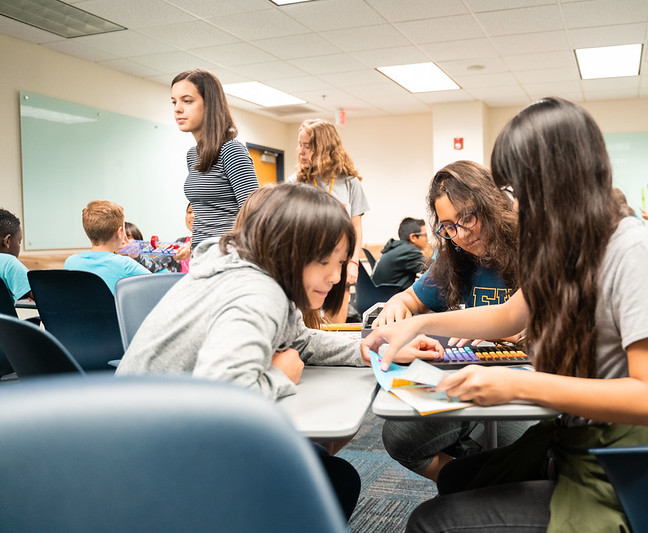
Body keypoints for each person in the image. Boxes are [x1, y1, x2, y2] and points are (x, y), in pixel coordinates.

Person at [362, 98, 648, 532]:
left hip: (617, 462)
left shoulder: (631, 250)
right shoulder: (576, 245)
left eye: (518, 191)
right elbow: (509, 316)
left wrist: (516, 381)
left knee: (429, 522)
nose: (514, 205)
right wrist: (416, 322)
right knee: (456, 478)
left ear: (558, 179)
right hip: (575, 437)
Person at [116, 183, 440, 520]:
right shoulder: (257, 292)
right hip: (154, 463)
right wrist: (278, 375)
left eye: (340, 262)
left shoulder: (247, 272)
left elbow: (300, 340)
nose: (333, 276)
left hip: (146, 440)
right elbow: (220, 400)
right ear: (286, 248)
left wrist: (365, 348)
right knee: (330, 481)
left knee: (318, 460)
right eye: (322, 260)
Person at [374, 160, 524, 483]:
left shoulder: (531, 245)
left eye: (468, 217)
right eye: (448, 226)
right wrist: (397, 307)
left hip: (526, 386)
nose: (462, 234)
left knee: (524, 461)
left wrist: (516, 334)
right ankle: (470, 486)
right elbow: (410, 299)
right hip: (468, 380)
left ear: (492, 204)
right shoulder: (456, 256)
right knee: (400, 437)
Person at [291, 119, 369, 323]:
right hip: (306, 265)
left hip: (340, 265)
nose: (301, 152)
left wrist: (352, 262)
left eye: (307, 146)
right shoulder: (297, 182)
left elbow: (356, 228)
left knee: (336, 328)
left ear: (324, 148)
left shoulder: (350, 183)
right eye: (300, 145)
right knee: (308, 329)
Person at [172, 69, 258, 251]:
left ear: (210, 104)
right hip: (200, 255)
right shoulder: (193, 155)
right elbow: (206, 216)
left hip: (228, 256)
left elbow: (254, 216)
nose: (177, 108)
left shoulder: (231, 150)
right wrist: (192, 246)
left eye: (187, 101)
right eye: (174, 102)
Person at [64, 201, 150, 295]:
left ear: (87, 231)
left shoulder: (71, 262)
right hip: (116, 310)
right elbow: (159, 287)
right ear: (119, 232)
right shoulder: (126, 265)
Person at [371, 217, 427, 290]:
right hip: (388, 297)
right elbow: (434, 270)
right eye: (425, 235)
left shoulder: (398, 248)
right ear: (413, 237)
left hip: (379, 294)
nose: (427, 239)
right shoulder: (409, 252)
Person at [0, 208, 32, 300]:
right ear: (7, 241)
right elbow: (39, 294)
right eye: (19, 242)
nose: (19, 247)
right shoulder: (8, 262)